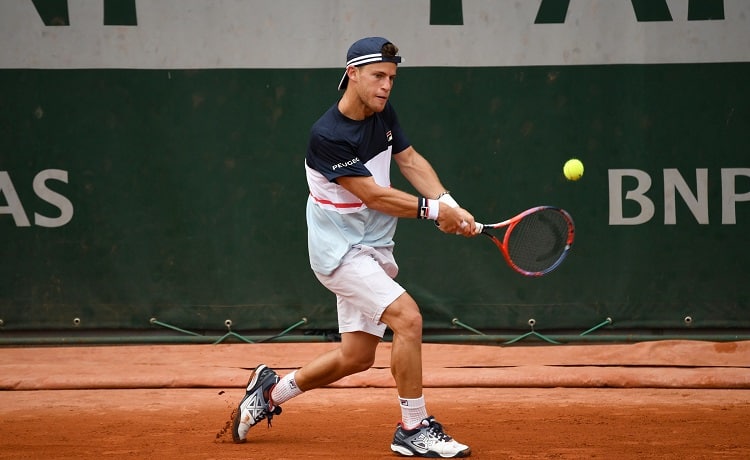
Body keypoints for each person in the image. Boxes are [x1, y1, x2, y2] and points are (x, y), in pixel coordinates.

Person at [232, 36, 477, 458]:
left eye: (392, 78)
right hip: (340, 254)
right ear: (352, 75)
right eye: (378, 76)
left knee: (356, 356)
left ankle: (270, 393)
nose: (386, 86)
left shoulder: (382, 114)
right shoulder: (327, 135)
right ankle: (413, 427)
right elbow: (375, 196)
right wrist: (436, 213)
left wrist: (450, 204)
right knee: (408, 320)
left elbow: (410, 160)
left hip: (375, 247)